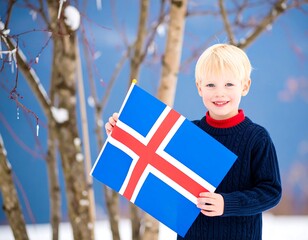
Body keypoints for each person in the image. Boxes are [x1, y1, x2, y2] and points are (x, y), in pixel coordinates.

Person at [105, 43, 282, 240]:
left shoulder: (257, 138)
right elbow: (151, 162)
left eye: (229, 84)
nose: (219, 93)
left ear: (245, 86)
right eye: (210, 85)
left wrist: (227, 203)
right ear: (199, 87)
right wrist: (121, 131)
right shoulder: (186, 133)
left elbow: (271, 191)